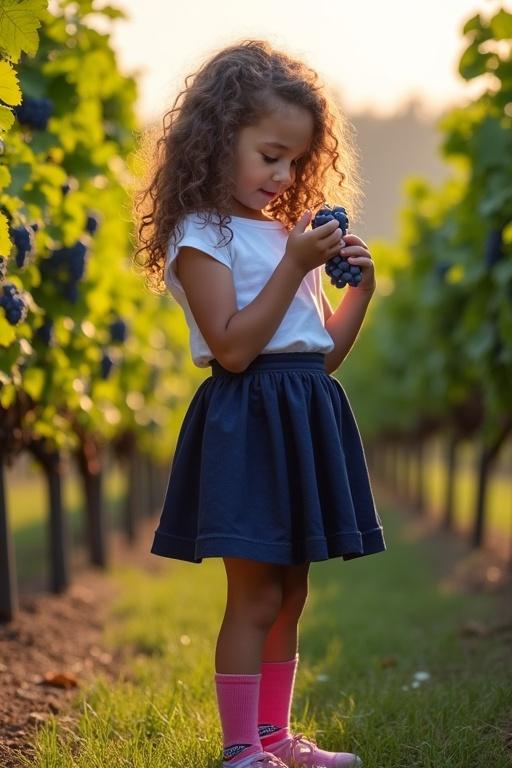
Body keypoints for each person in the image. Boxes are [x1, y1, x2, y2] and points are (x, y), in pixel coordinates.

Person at [134, 38, 386, 768]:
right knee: (252, 595)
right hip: (247, 420)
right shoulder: (201, 235)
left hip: (303, 409)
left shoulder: (286, 234)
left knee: (292, 590)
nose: (282, 175)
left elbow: (320, 353)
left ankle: (278, 738)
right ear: (218, 140)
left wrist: (358, 294)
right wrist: (295, 264)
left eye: (294, 162)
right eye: (269, 155)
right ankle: (241, 748)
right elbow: (237, 348)